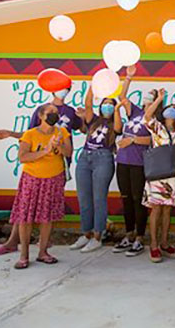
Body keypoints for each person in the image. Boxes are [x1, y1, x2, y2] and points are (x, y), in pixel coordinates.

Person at [0, 85, 83, 257]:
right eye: (61, 88)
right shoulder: (40, 112)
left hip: (58, 167)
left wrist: (86, 116)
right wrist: (11, 133)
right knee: (26, 209)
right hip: (34, 171)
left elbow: (82, 128)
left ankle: (43, 248)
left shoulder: (70, 112)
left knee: (47, 210)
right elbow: (31, 134)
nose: (64, 91)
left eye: (67, 88)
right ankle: (14, 243)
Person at [10, 103, 71, 269]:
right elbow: (23, 157)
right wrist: (45, 150)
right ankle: (24, 255)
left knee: (47, 216)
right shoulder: (30, 134)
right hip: (32, 178)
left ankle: (43, 252)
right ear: (41, 115)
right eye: (50, 112)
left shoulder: (62, 132)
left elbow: (69, 152)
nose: (54, 115)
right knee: (25, 217)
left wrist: (58, 146)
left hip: (54, 179)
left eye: (56, 113)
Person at [70, 85, 122, 253]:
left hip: (104, 158)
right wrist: (93, 86)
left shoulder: (116, 123)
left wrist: (118, 109)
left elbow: (118, 129)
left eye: (110, 104)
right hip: (85, 157)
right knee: (84, 198)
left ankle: (98, 236)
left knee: (99, 199)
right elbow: (88, 104)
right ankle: (86, 234)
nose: (107, 106)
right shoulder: (93, 120)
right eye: (105, 103)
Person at [141, 89, 175, 263]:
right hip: (157, 174)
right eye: (170, 107)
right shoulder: (157, 128)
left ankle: (165, 242)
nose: (172, 110)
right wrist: (159, 99)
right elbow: (147, 116)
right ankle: (153, 244)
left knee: (168, 209)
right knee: (156, 208)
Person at [112, 65, 152, 257]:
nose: (147, 98)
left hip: (139, 164)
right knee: (126, 198)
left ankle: (140, 238)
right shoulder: (135, 112)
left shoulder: (154, 119)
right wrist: (128, 78)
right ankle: (128, 234)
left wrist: (133, 140)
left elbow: (152, 140)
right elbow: (122, 98)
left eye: (151, 96)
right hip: (123, 161)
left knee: (138, 200)